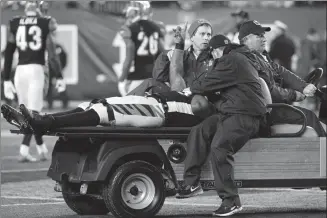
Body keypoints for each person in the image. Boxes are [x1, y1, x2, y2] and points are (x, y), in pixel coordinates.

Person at [177, 34, 269, 217]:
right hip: (231, 112)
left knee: (220, 147)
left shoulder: (230, 59)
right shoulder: (236, 58)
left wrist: (194, 88)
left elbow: (204, 83)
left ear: (216, 51)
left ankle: (231, 201)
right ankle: (191, 183)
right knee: (199, 131)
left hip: (246, 115)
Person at [237, 20, 325, 136]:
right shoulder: (246, 60)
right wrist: (294, 95)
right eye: (259, 36)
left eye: (263, 35)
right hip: (263, 112)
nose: (264, 39)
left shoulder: (260, 56)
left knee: (309, 115)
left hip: (271, 106)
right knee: (309, 116)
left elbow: (281, 71)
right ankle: (324, 151)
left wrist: (303, 86)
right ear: (246, 39)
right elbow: (270, 90)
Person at [2, 1, 65, 162]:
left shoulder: (15, 22)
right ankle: (24, 150)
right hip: (36, 70)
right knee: (33, 115)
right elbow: (51, 52)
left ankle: (41, 149)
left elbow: (9, 51)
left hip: (20, 71)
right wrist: (59, 75)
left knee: (26, 113)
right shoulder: (45, 22)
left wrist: (6, 78)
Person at [1, 90, 206, 135]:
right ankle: (40, 119)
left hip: (162, 111)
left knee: (105, 111)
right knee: (92, 103)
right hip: (152, 103)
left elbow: (200, 106)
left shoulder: (210, 96)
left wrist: (200, 88)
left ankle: (41, 123)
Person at [128, 19, 216, 119]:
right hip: (178, 97)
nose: (206, 38)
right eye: (202, 34)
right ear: (192, 37)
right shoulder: (180, 55)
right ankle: (118, 106)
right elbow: (159, 77)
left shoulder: (215, 58)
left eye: (209, 35)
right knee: (149, 83)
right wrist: (164, 57)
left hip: (200, 103)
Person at [117, 1, 165, 96]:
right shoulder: (156, 27)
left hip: (137, 77)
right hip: (154, 76)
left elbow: (129, 57)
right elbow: (163, 53)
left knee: (129, 107)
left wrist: (122, 78)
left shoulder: (129, 28)